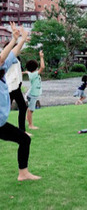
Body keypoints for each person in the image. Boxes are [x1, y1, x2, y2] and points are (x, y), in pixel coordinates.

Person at [0, 22, 41, 181]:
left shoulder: (3, 68)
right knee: (24, 139)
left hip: (1, 123)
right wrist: (13, 40)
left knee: (24, 139)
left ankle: (23, 173)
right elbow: (3, 56)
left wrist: (21, 39)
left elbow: (11, 55)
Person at [5, 42, 29, 135]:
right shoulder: (9, 59)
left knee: (22, 107)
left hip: (16, 87)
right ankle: (21, 130)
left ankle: (22, 130)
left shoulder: (16, 58)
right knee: (5, 110)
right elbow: (9, 75)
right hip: (11, 87)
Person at [23, 51, 45, 130]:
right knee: (31, 110)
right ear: (35, 67)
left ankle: (27, 118)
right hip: (32, 94)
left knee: (30, 109)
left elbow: (25, 72)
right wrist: (41, 57)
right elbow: (42, 67)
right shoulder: (34, 74)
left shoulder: (30, 73)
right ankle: (30, 125)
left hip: (32, 93)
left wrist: (21, 73)